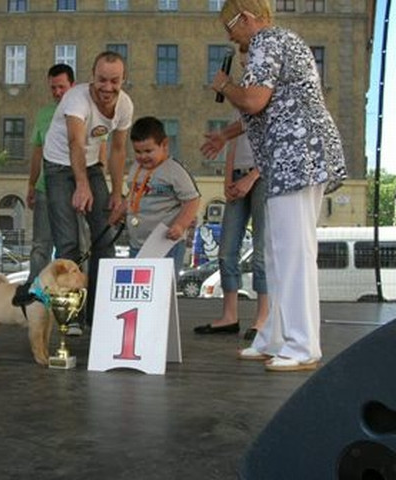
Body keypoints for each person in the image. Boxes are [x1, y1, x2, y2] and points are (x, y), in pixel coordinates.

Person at [203, 0, 347, 372]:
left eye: (230, 26)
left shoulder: (267, 41)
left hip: (296, 154)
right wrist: (225, 135)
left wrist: (226, 85)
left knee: (293, 252)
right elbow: (273, 105)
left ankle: (302, 346)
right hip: (295, 154)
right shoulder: (282, 41)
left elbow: (254, 100)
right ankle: (274, 338)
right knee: (278, 249)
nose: (230, 36)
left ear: (247, 18)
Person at [43, 51, 133, 332]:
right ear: (92, 77)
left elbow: (118, 150)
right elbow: (75, 143)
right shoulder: (76, 99)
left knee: (104, 239)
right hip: (58, 165)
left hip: (93, 165)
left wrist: (117, 193)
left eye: (114, 81)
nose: (107, 87)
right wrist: (81, 186)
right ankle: (71, 317)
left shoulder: (125, 105)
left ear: (123, 79)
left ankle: (100, 314)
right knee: (69, 243)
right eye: (102, 80)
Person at [195, 112, 267, 339]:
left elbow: (277, 148)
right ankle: (229, 316)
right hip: (238, 175)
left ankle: (263, 318)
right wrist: (228, 181)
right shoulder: (241, 109)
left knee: (261, 252)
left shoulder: (273, 102)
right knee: (226, 251)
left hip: (263, 177)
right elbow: (233, 146)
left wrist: (252, 177)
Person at [111, 116, 200, 271]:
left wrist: (180, 226)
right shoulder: (136, 168)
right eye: (138, 151)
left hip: (165, 243)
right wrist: (120, 211)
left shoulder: (174, 170)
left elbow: (192, 200)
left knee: (162, 288)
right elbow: (133, 195)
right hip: (137, 243)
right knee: (140, 289)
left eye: (148, 151)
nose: (143, 156)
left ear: (164, 145)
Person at [26, 64, 75, 282]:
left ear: (72, 86)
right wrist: (31, 184)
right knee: (40, 244)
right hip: (45, 187)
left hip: (73, 187)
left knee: (71, 242)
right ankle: (35, 291)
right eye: (53, 88)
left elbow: (99, 151)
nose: (57, 92)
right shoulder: (44, 114)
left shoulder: (82, 110)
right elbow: (38, 151)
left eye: (61, 87)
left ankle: (68, 290)